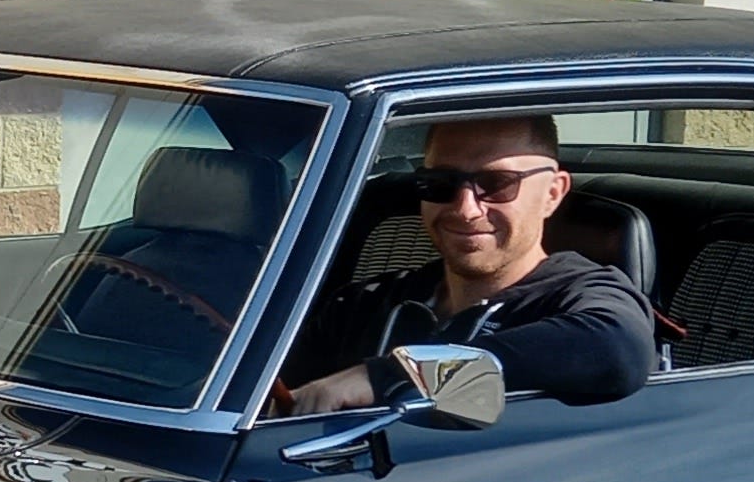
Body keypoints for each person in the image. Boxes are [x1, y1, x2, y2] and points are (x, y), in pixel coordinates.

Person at [276, 114, 654, 416]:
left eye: (497, 183)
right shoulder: (363, 307)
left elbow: (618, 350)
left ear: (553, 194)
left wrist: (387, 376)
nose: (465, 209)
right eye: (440, 183)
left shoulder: (581, 297)